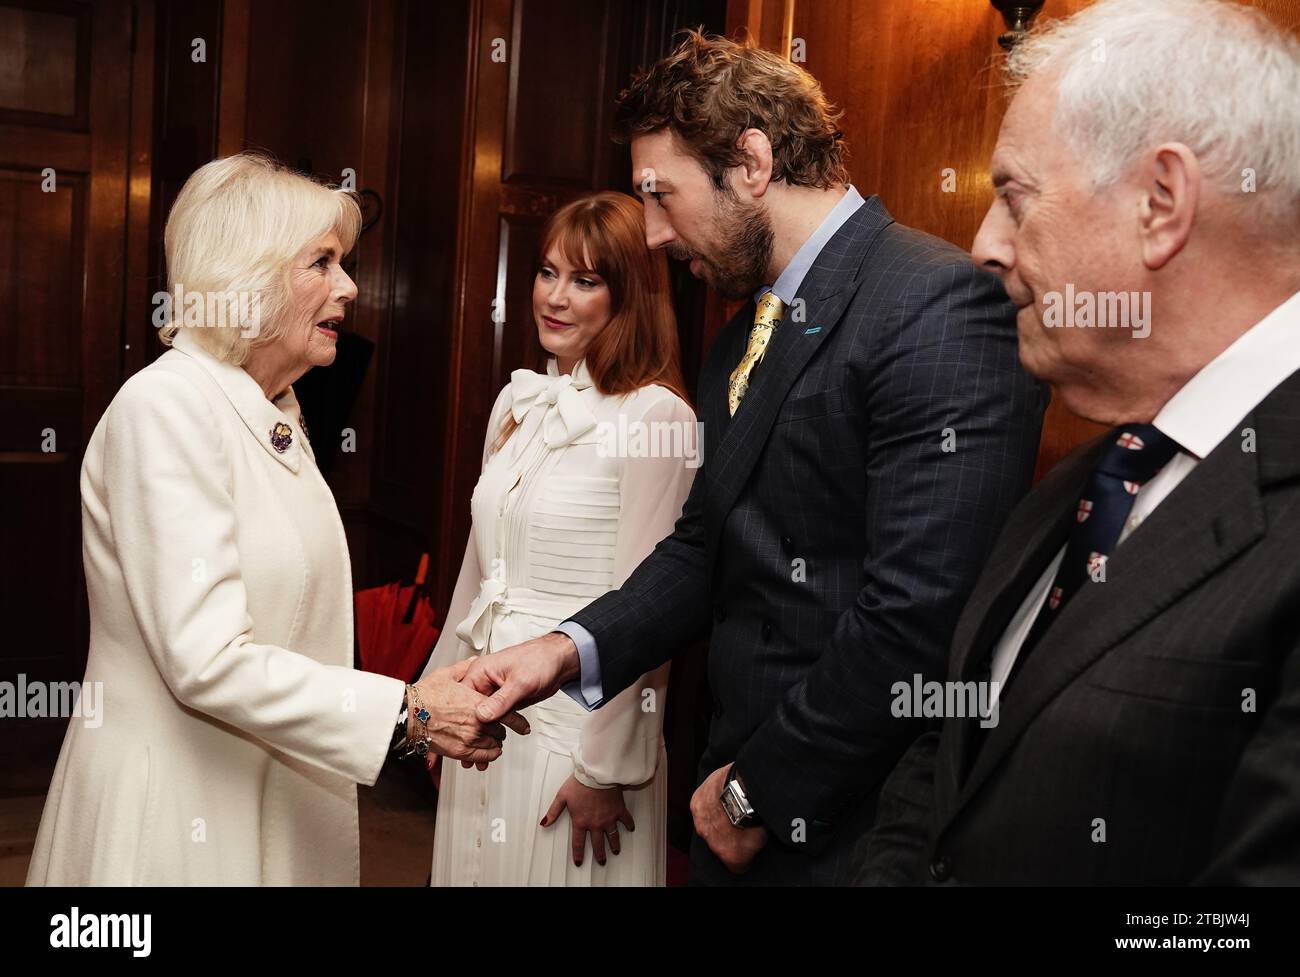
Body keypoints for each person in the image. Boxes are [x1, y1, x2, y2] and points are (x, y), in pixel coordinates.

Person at [462, 31, 1045, 884]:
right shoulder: (741, 333)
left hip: (857, 821)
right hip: (733, 789)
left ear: (751, 162)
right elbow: (704, 546)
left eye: (663, 196)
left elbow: (920, 608)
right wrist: (564, 650)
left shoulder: (936, 304)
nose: (653, 234)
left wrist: (760, 792)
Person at [864, 0, 1300, 884]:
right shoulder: (1086, 479)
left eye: (1015, 196)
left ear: (1161, 203)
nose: (984, 246)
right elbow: (948, 755)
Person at [26, 154, 522, 886]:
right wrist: (408, 714)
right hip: (175, 818)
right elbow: (208, 658)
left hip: (267, 801)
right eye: (321, 262)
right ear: (244, 277)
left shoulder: (273, 412)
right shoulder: (165, 408)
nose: (350, 287)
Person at [423, 191, 696, 886]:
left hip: (575, 738)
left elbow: (653, 603)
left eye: (585, 279)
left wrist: (605, 768)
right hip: (486, 715)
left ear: (628, 294)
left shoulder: (657, 415)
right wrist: (433, 698)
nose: (556, 297)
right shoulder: (518, 403)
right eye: (548, 272)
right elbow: (478, 573)